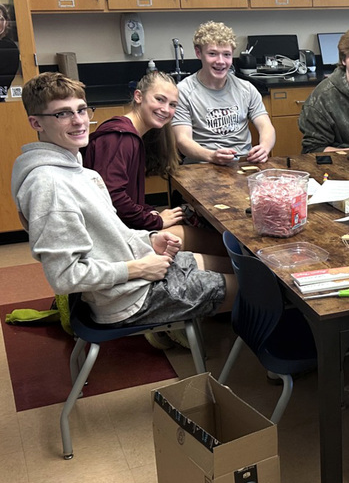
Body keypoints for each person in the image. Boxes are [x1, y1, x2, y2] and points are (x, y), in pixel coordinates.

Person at [11, 72, 236, 327]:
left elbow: (112, 232)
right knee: (257, 286)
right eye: (62, 114)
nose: (78, 121)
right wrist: (139, 269)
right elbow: (65, 276)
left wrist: (150, 239)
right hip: (130, 298)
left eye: (82, 110)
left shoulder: (76, 168)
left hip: (135, 269)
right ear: (36, 123)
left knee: (241, 267)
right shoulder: (48, 184)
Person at [83, 72, 183, 232]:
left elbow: (126, 194)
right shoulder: (120, 137)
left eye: (173, 105)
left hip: (119, 228)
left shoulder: (132, 134)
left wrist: (146, 210)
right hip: (112, 235)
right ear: (138, 96)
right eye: (159, 99)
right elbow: (112, 196)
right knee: (213, 243)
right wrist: (154, 221)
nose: (166, 109)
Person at [173, 21, 276, 165]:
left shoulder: (246, 89)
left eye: (226, 54)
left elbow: (266, 126)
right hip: (202, 166)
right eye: (212, 54)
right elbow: (182, 140)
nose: (221, 61)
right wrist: (211, 156)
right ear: (198, 53)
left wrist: (264, 147)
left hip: (242, 164)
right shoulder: (183, 92)